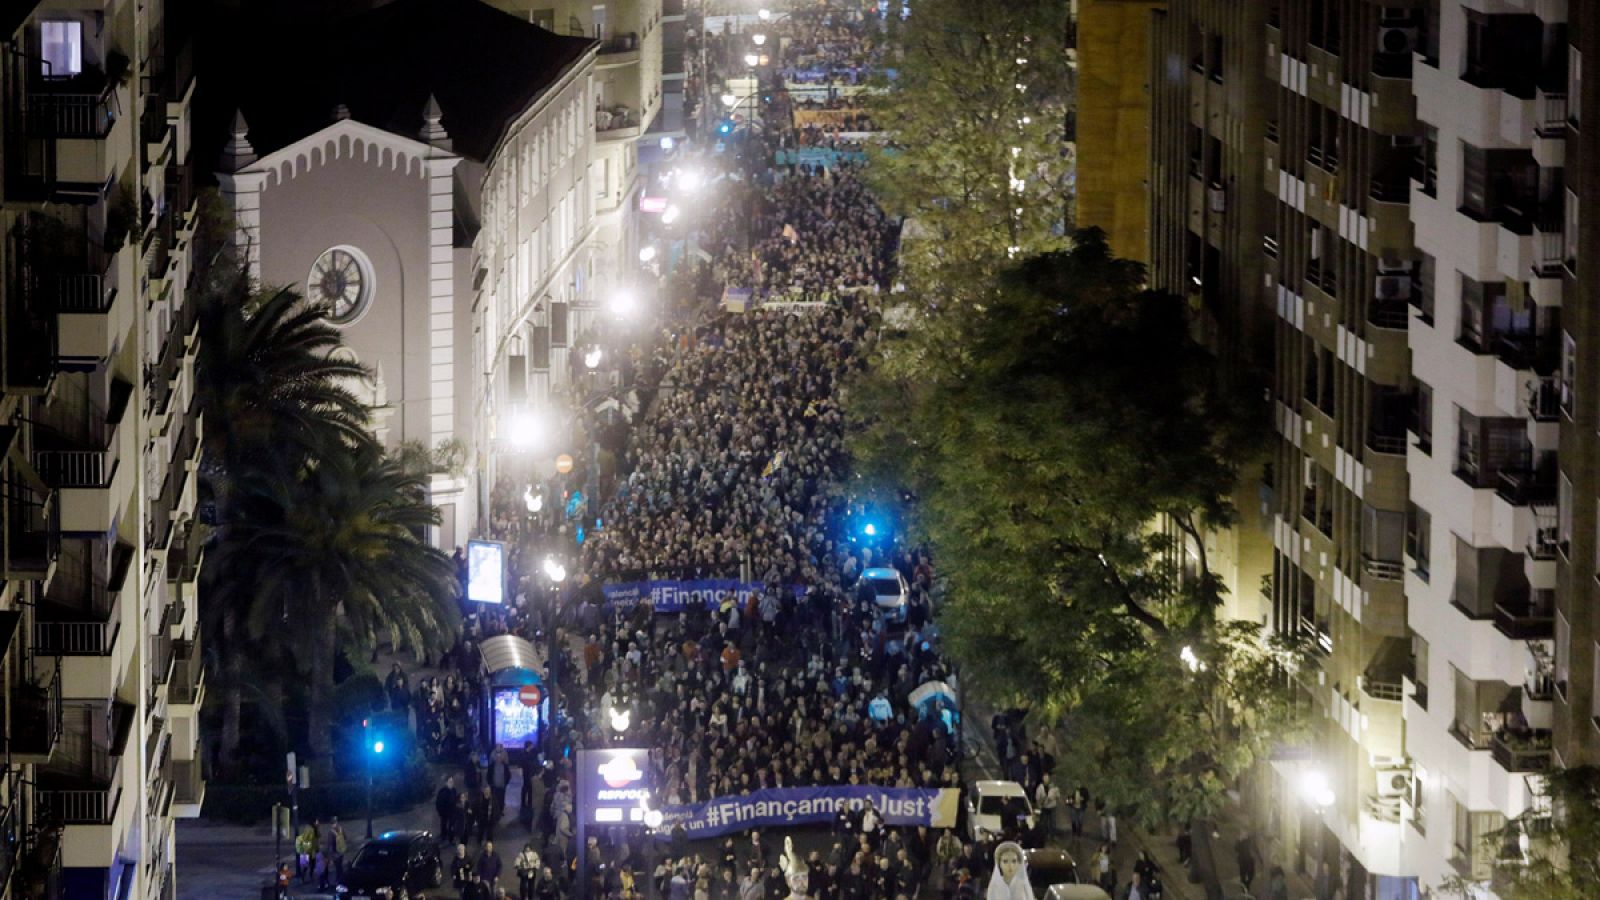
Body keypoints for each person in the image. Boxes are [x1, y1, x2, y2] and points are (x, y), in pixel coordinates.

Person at [437, 775, 461, 843]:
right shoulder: (442, 792)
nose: (452, 783)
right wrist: (441, 812)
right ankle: (443, 837)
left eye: (452, 781)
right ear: (446, 783)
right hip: (444, 813)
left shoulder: (454, 790)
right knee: (443, 825)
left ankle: (451, 838)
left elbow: (455, 800)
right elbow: (439, 803)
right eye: (450, 782)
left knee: (452, 826)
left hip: (452, 812)